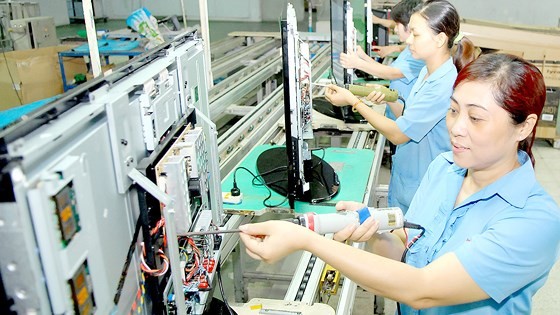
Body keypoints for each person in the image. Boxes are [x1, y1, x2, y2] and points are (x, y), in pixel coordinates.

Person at [239, 53, 560, 314]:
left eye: (475, 118)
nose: (457, 128)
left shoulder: (534, 220)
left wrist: (306, 240)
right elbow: (407, 252)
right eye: (452, 111)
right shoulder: (443, 168)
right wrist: (376, 231)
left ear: (523, 127)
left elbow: (422, 289)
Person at [326, 0, 478, 213]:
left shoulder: (443, 84)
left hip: (423, 188)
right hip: (409, 180)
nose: (408, 42)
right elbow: (406, 115)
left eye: (416, 35)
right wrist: (388, 98)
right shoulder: (427, 72)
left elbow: (399, 134)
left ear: (440, 39)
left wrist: (354, 102)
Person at [341, 0, 425, 121]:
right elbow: (388, 70)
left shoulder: (419, 55)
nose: (395, 29)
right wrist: (363, 57)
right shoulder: (409, 49)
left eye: (397, 25)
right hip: (396, 114)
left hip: (404, 118)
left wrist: (357, 63)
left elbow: (391, 73)